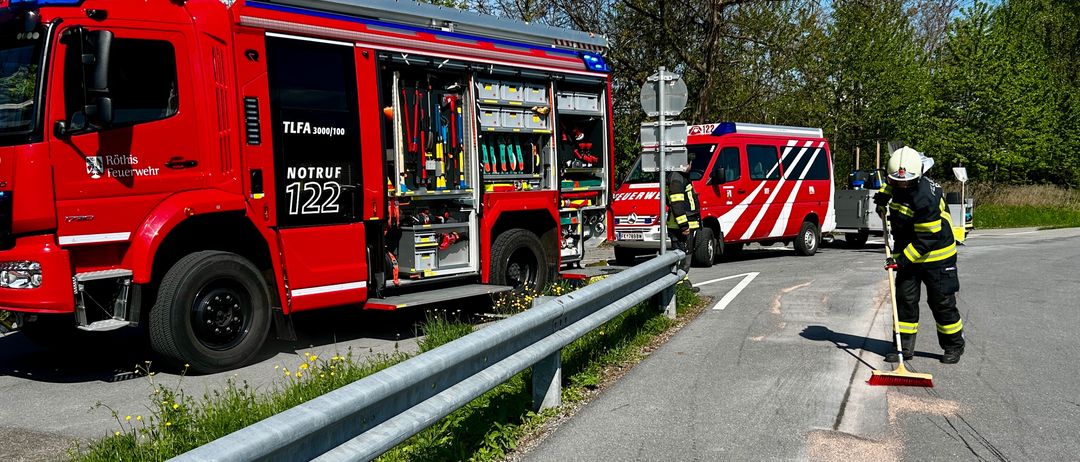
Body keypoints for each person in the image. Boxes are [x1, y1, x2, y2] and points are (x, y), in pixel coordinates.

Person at [874, 146, 965, 364]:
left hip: (936, 257)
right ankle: (903, 348)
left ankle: (954, 346)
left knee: (941, 303)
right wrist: (881, 200)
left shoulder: (927, 197)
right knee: (905, 300)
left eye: (905, 182)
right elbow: (890, 186)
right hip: (908, 255)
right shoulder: (898, 180)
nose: (901, 185)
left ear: (918, 176)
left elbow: (927, 240)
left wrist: (899, 260)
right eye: (897, 181)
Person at [666, 164, 702, 293]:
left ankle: (684, 282)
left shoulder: (680, 176)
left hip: (685, 224)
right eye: (688, 163)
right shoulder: (677, 178)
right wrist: (683, 226)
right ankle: (680, 285)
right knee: (682, 255)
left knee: (686, 254)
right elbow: (677, 203)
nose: (691, 166)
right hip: (679, 226)